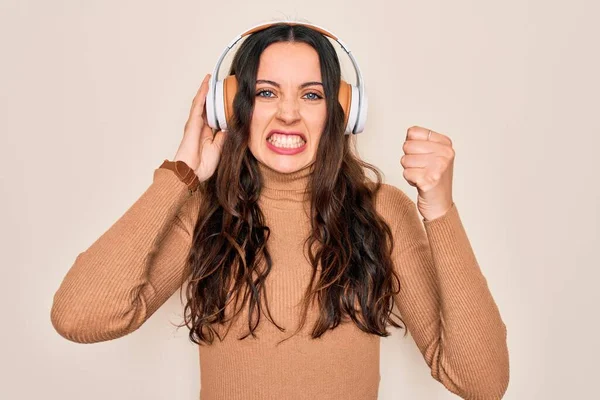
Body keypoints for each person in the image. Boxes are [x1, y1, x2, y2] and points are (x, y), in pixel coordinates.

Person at [50, 22, 509, 400]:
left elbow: (481, 383)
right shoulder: (203, 212)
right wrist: (180, 175)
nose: (288, 113)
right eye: (267, 93)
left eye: (311, 95)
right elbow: (78, 317)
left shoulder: (382, 211)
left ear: (342, 113)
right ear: (235, 108)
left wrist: (440, 210)